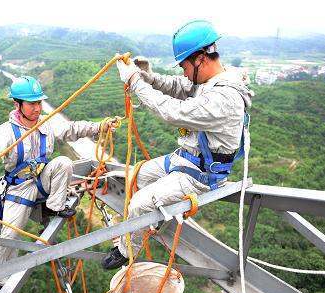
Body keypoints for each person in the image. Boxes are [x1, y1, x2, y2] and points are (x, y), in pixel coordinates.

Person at [0, 76, 116, 293]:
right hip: (19, 187)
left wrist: (99, 127)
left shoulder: (46, 123)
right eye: (32, 104)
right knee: (10, 235)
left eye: (39, 103)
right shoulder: (6, 132)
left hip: (42, 179)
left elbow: (71, 129)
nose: (37, 108)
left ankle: (55, 206)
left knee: (63, 163)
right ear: (17, 104)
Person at [101, 20, 253, 269]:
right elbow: (177, 86)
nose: (183, 71)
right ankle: (150, 220)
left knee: (139, 203)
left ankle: (127, 250)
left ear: (200, 59)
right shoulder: (208, 81)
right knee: (134, 178)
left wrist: (135, 82)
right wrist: (146, 76)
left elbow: (172, 111)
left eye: (184, 65)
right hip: (186, 159)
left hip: (202, 176)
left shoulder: (224, 97)